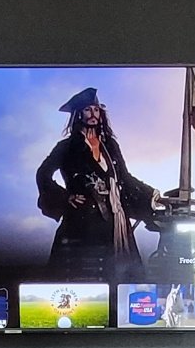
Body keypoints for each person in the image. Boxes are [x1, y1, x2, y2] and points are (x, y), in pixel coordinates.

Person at [35, 87, 160, 285]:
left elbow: (125, 178)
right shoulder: (66, 147)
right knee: (80, 277)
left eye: (96, 109)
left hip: (114, 219)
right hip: (81, 222)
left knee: (120, 273)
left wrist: (152, 194)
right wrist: (65, 197)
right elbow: (43, 174)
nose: (93, 113)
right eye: (87, 109)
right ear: (78, 114)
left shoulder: (110, 145)